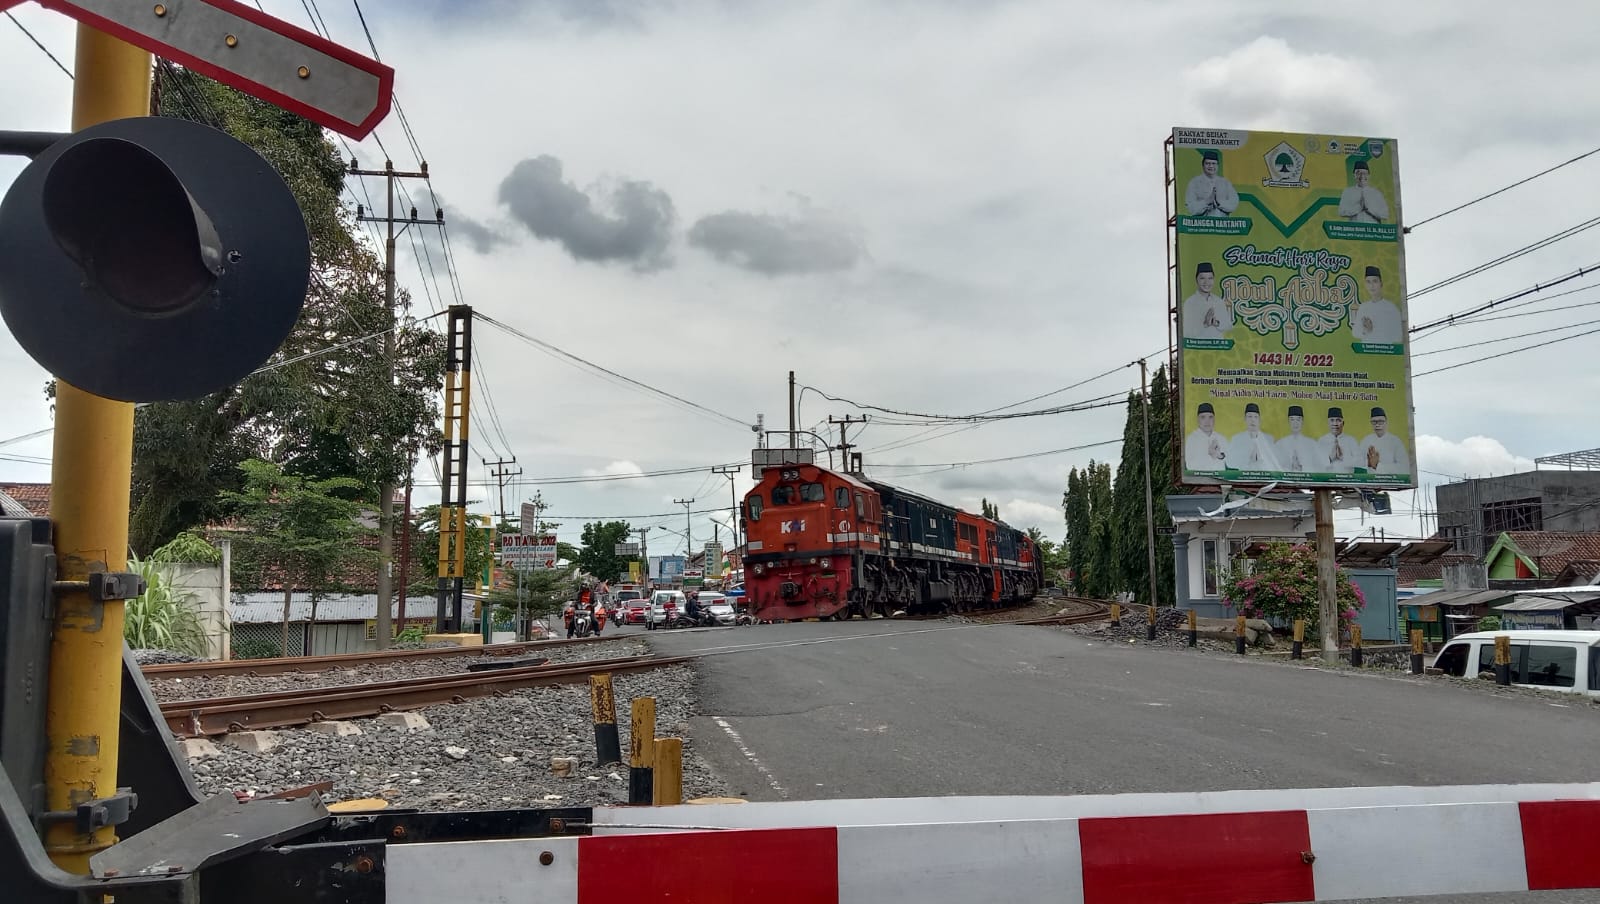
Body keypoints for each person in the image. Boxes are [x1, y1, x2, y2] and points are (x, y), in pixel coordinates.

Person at [1351, 266, 1404, 345]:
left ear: (1381, 283)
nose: (1372, 285)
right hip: (1365, 352)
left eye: (1375, 281)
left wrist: (1376, 330)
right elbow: (1355, 333)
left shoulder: (1391, 308)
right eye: (1368, 282)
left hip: (1385, 352)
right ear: (1365, 284)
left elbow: (1399, 337)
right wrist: (1366, 330)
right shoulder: (1363, 307)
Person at [1182, 262, 1232, 340]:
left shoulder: (1218, 301)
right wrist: (1205, 323)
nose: (1206, 282)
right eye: (1202, 278)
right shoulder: (1190, 302)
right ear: (1196, 280)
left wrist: (1216, 323)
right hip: (1197, 349)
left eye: (1210, 278)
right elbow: (1187, 332)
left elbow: (1228, 325)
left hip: (1219, 348)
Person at [1184, 149, 1239, 218]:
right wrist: (1206, 202)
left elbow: (1234, 203)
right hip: (1201, 226)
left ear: (1217, 165)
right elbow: (1191, 207)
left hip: (1222, 225)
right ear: (1203, 165)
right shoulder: (1194, 183)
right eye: (1208, 163)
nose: (1211, 166)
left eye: (1213, 163)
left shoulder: (1225, 183)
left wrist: (1219, 203)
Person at [1227, 403, 1281, 471]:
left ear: (1259, 420)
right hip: (1244, 477)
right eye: (1249, 416)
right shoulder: (1236, 439)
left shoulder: (1269, 439)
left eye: (1255, 417)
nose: (1253, 420)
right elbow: (1230, 462)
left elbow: (1275, 462)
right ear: (1245, 419)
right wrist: (1247, 458)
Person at [1358, 407, 1410, 474]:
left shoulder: (1395, 441)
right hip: (1369, 481)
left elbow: (1404, 468)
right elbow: (1358, 464)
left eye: (1380, 421)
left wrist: (1377, 466)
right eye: (1374, 422)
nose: (1377, 425)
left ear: (1386, 422)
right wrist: (1368, 463)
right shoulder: (1366, 441)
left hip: (1390, 482)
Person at [1338, 159, 1389, 223]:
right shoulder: (1348, 192)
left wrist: (1369, 209)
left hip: (1373, 230)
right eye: (1358, 173)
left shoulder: (1376, 193)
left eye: (1365, 173)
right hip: (1355, 230)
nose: (1362, 176)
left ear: (1369, 175)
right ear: (1354, 175)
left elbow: (1385, 214)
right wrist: (1359, 208)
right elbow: (1341, 212)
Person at [1184, 402, 1228, 472]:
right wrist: (1210, 455)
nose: (1207, 421)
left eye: (1210, 417)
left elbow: (1230, 461)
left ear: (1214, 419)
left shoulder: (1221, 438)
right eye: (1203, 417)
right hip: (1199, 481)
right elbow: (1190, 466)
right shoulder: (1191, 439)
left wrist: (1219, 455)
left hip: (1220, 480)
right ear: (1198, 419)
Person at [1316, 407, 1361, 474]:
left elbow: (1360, 462)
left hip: (1347, 480)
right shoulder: (1321, 441)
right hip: (1327, 480)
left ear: (1343, 423)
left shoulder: (1351, 440)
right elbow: (1316, 463)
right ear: (1328, 423)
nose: (1335, 424)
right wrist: (1330, 458)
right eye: (1332, 420)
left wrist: (1343, 458)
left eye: (1338, 420)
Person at [1275, 405, 1319, 472]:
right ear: (1288, 421)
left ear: (1302, 421)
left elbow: (1317, 467)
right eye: (1292, 419)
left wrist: (1301, 468)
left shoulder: (1312, 444)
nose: (1295, 423)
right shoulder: (1280, 444)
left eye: (1298, 419)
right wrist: (1290, 468)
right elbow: (1276, 467)